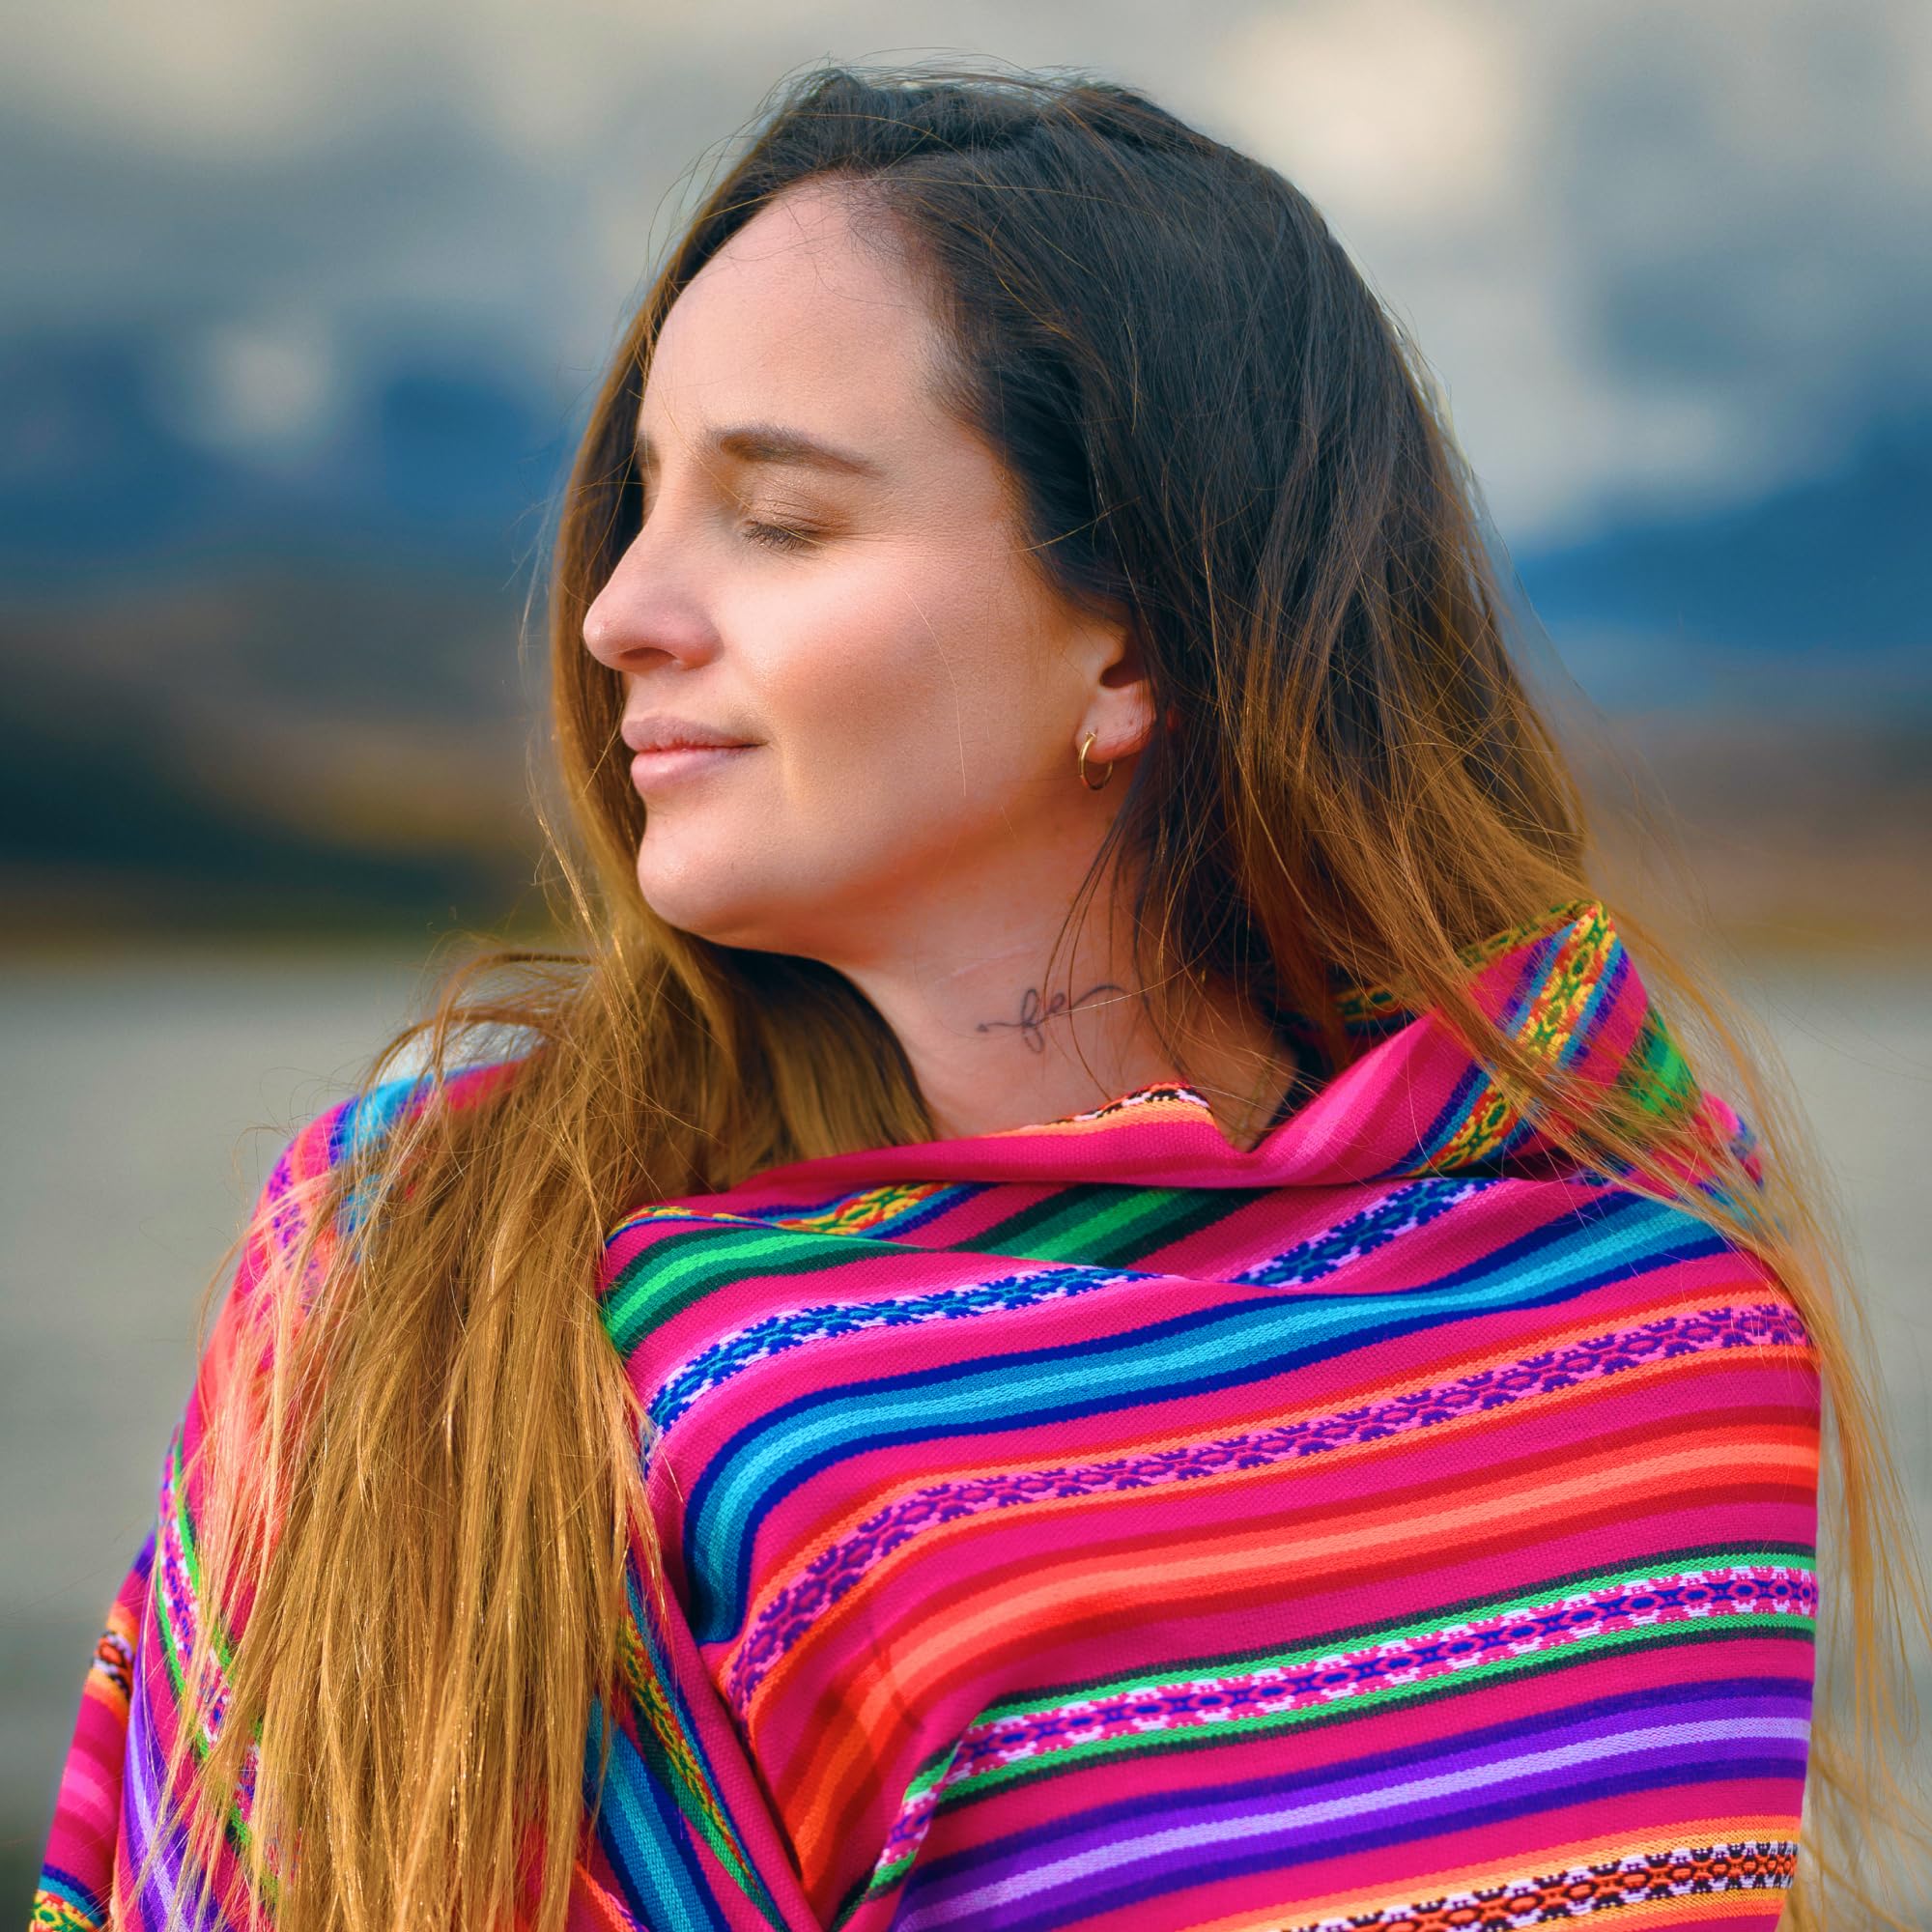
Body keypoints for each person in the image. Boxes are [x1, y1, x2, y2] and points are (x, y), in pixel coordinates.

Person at [30, 62, 1929, 1932]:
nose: (620, 606)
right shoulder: (444, 1272)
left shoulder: (1652, 1342)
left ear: (1139, 642)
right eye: (640, 504)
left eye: (777, 518)